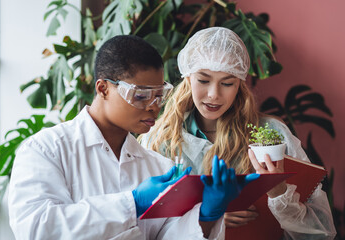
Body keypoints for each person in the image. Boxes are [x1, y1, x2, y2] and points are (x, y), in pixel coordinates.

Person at [8, 35, 259, 240]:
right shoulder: (45, 149)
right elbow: (36, 228)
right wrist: (133, 203)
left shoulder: (159, 166)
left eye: (159, 95)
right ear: (103, 88)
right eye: (141, 95)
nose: (153, 106)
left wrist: (207, 214)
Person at [140, 27, 337, 239]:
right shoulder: (160, 140)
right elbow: (145, 226)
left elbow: (320, 232)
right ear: (188, 78)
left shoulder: (271, 135)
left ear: (240, 85)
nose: (214, 94)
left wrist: (280, 195)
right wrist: (207, 219)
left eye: (227, 83)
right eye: (204, 80)